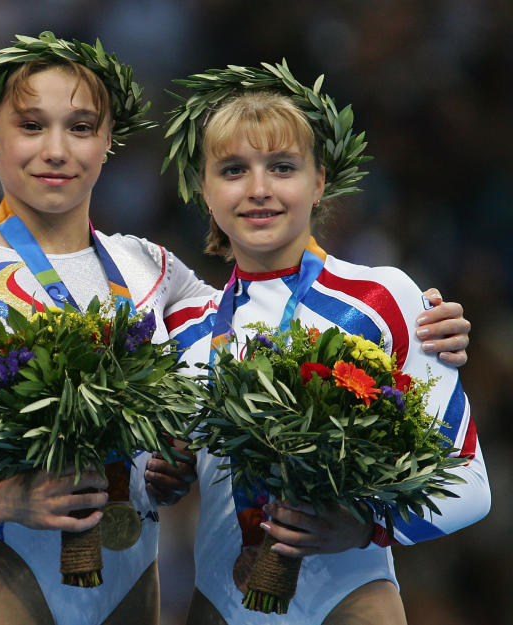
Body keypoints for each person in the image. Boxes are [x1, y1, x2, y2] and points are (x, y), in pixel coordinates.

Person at [0, 35, 469, 625]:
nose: (56, 150)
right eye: (31, 126)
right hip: (7, 580)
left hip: (138, 593)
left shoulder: (153, 273)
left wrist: (426, 324)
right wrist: (7, 499)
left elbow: (258, 317)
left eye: (80, 127)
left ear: (109, 140)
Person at [159, 63, 490, 625]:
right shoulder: (185, 324)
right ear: (203, 189)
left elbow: (469, 485)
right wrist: (160, 476)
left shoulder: (384, 297)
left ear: (320, 181)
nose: (259, 189)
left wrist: (364, 525)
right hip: (219, 607)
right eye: (233, 169)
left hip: (350, 605)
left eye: (282, 167)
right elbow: (164, 478)